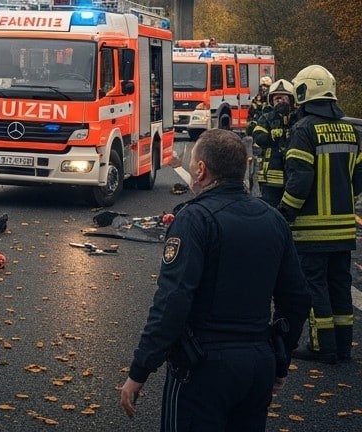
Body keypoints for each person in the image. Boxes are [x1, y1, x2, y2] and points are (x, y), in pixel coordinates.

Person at [119, 128, 309, 430]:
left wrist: (140, 370)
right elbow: (297, 298)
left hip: (203, 366)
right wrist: (279, 361)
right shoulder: (273, 219)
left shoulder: (195, 219)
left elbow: (172, 301)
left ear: (201, 169)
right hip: (258, 362)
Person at [280, 64, 362, 363]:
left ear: (303, 92)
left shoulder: (304, 130)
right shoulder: (350, 130)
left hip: (312, 230)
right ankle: (342, 347)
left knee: (314, 288)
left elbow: (299, 179)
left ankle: (321, 346)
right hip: (343, 228)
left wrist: (285, 212)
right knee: (339, 286)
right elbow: (358, 177)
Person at [247, 78, 295, 205]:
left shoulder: (297, 117)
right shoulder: (266, 117)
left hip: (293, 175)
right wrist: (271, 136)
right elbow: (258, 135)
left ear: (291, 99)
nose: (280, 101)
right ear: (271, 101)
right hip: (271, 177)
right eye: (276, 99)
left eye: (283, 98)